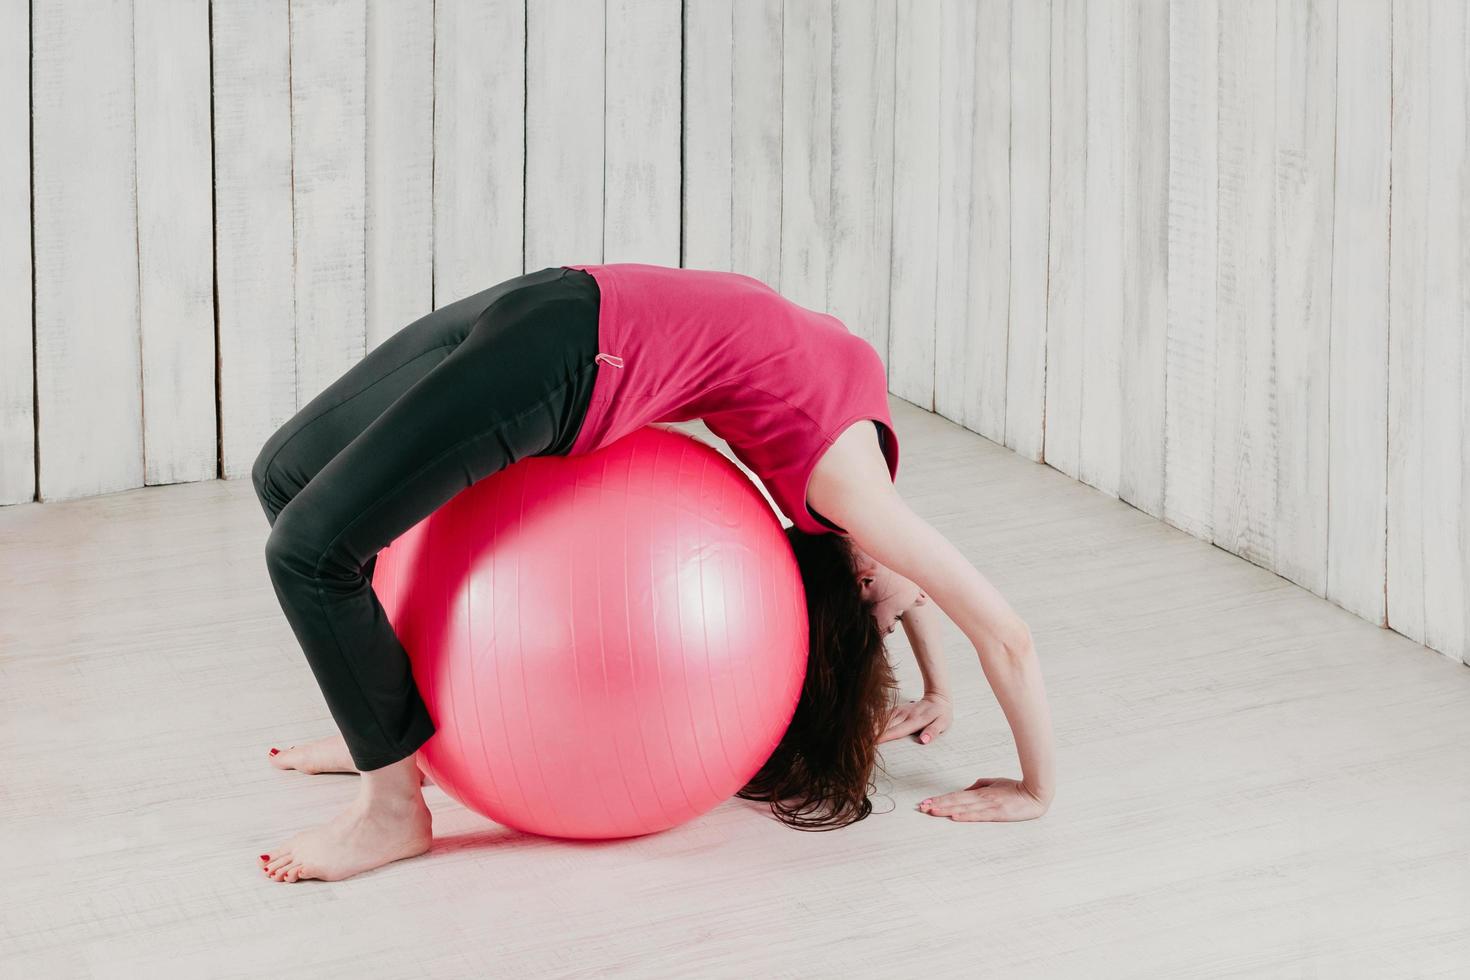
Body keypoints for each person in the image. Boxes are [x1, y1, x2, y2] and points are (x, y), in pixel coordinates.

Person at [250, 263, 1055, 883]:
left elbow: (982, 625)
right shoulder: (859, 494)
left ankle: (391, 802)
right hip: (557, 300)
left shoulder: (856, 462)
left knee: (308, 553)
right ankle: (387, 722)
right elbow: (932, 599)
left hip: (576, 358)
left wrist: (1032, 788)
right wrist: (941, 692)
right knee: (284, 475)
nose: (909, 589)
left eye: (890, 601)